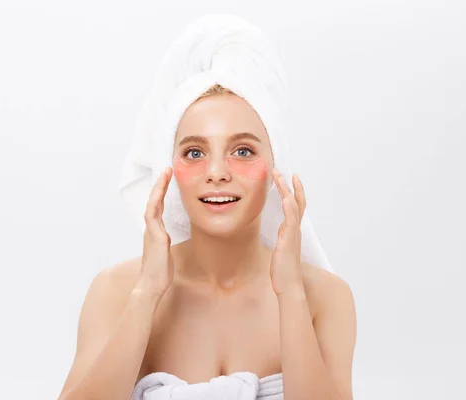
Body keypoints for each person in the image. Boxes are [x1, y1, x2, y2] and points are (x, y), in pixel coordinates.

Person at [56, 84, 357, 400]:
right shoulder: (116, 290)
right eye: (194, 153)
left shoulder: (326, 297)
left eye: (242, 151)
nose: (216, 172)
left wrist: (291, 291)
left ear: (275, 170)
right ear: (169, 173)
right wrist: (147, 292)